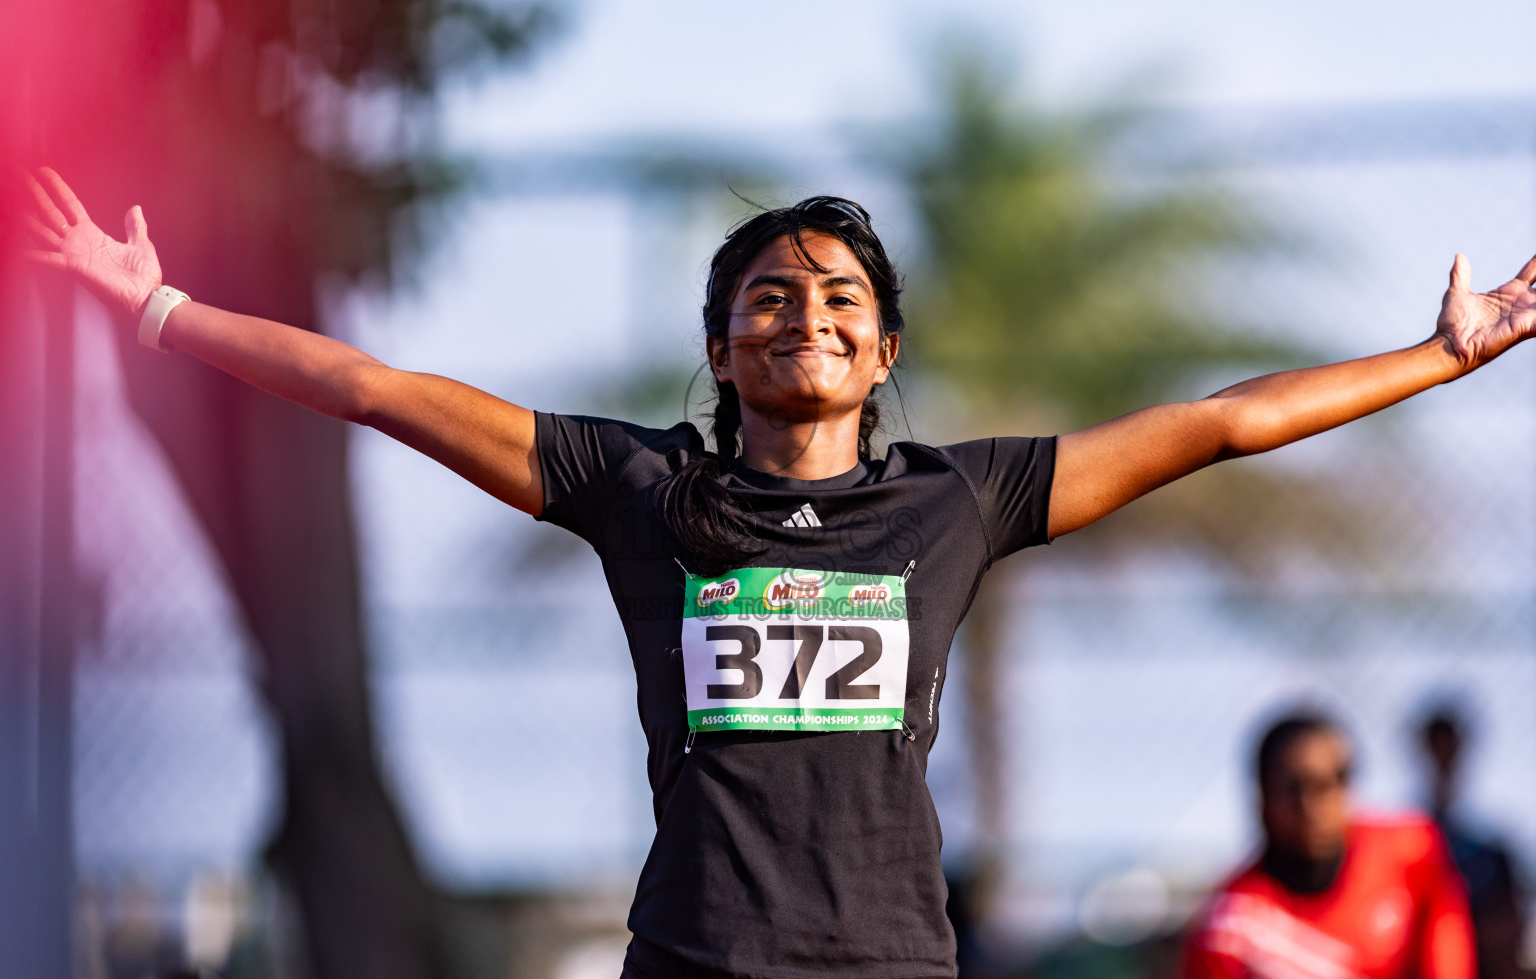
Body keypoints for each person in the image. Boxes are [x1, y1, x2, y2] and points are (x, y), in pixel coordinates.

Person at [23, 168, 1536, 979]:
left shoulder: (961, 501)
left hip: (889, 962)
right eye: (765, 294)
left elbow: (1215, 423)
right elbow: (372, 384)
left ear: (881, 353)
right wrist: (159, 307)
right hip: (693, 958)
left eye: (837, 297)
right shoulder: (636, 489)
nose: (799, 312)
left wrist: (1439, 355)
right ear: (718, 343)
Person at [1182, 712, 1475, 979]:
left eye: (1328, 784)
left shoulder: (1412, 852)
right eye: (1293, 788)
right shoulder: (1233, 927)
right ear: (1261, 798)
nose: (1311, 806)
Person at [1419, 705, 1531, 979]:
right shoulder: (1406, 841)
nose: (1444, 758)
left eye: (1451, 746)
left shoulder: (1490, 848)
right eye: (1437, 747)